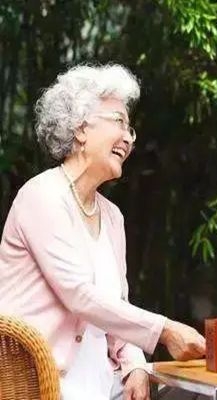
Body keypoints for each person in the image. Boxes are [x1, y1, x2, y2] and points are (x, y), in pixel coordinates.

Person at [0, 64, 206, 400]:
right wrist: (164, 330)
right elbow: (79, 295)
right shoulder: (42, 196)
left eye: (130, 129)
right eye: (119, 122)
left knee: (204, 394)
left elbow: (116, 306)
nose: (129, 138)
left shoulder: (111, 216)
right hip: (48, 384)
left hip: (105, 385)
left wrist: (135, 364)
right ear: (80, 128)